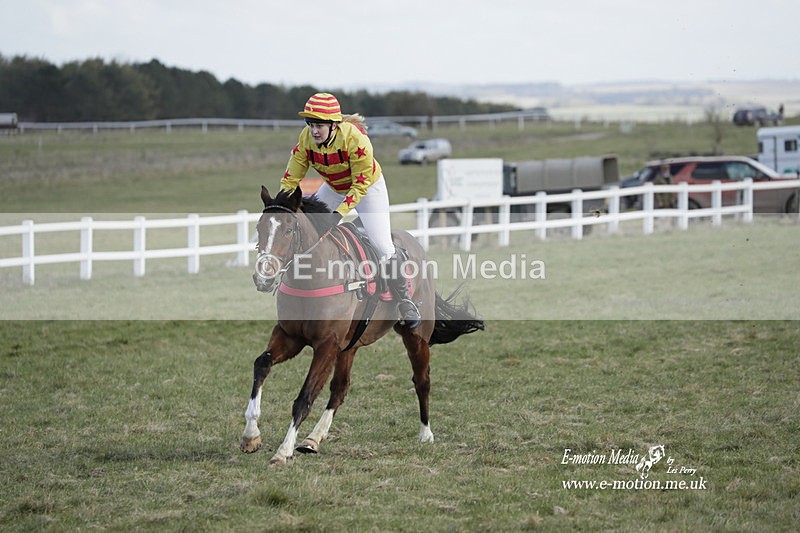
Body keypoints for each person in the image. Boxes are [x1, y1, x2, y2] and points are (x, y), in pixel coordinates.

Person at [279, 92, 421, 328]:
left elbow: (360, 185)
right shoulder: (305, 139)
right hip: (334, 187)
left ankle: (405, 300)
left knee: (382, 246)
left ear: (334, 125)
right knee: (306, 229)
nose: (314, 131)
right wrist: (282, 205)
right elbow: (290, 179)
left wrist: (337, 215)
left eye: (319, 126)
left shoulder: (355, 139)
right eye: (311, 124)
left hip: (367, 188)